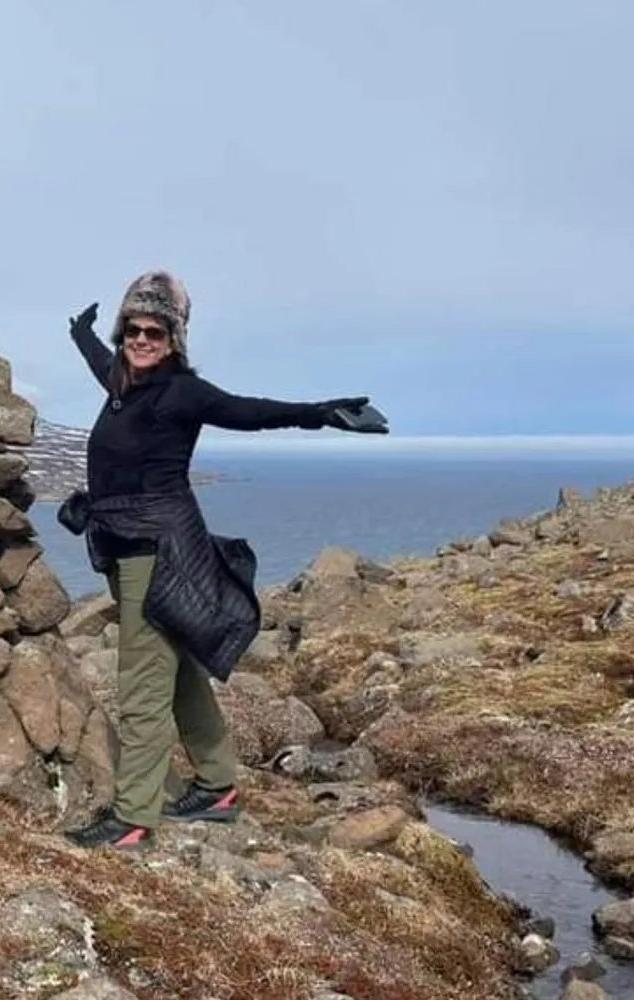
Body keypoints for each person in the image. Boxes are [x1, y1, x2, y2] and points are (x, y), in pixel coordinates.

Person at [56, 270, 387, 850]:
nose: (141, 340)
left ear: (174, 340)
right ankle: (216, 787)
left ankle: (133, 817)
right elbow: (99, 360)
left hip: (158, 555)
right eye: (132, 329)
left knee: (142, 688)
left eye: (155, 332)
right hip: (128, 549)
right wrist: (81, 333)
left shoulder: (182, 392)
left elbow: (248, 410)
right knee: (181, 673)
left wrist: (322, 412)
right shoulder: (122, 382)